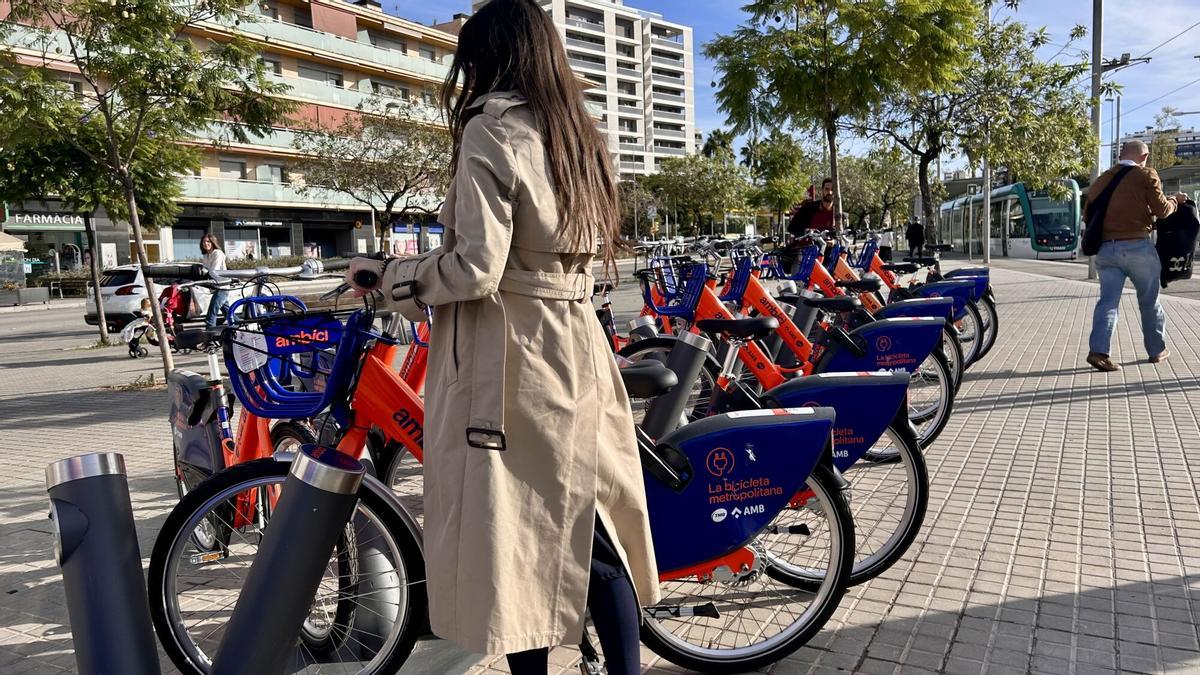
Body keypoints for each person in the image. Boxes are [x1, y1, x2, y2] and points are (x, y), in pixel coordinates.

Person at [345, 2, 658, 673]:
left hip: (510, 361)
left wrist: (393, 276)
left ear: (487, 58)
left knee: (514, 542)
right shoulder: (579, 135)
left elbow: (476, 268)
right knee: (591, 529)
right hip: (577, 344)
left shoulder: (493, 130)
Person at [1085, 140, 1190, 372]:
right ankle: (1156, 351)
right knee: (1149, 301)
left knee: (1107, 302)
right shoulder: (1146, 174)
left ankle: (1099, 352)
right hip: (1138, 248)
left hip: (1106, 250)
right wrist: (1175, 200)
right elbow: (1162, 210)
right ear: (1144, 156)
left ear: (1120, 155)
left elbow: (1088, 215)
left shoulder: (1102, 180)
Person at [200, 233, 227, 328]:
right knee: (228, 312)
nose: (205, 243)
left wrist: (205, 273)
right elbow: (205, 270)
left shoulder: (217, 253)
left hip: (222, 286)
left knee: (212, 312)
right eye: (204, 242)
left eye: (208, 241)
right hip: (214, 287)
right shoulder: (206, 255)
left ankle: (210, 334)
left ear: (213, 242)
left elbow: (213, 270)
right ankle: (240, 325)